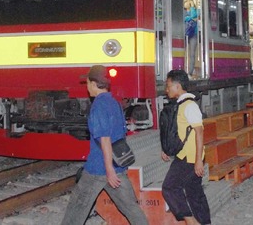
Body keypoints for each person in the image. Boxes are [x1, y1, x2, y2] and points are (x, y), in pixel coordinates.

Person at [61, 66, 147, 225]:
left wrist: (109, 170)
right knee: (131, 209)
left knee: (76, 209)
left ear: (94, 84)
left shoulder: (98, 106)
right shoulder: (114, 102)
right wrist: (113, 170)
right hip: (118, 166)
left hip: (98, 168)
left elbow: (105, 139)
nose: (86, 87)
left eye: (87, 83)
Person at [161, 70, 211, 225]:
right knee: (194, 192)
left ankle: (190, 221)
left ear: (177, 86)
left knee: (169, 188)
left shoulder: (190, 106)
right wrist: (166, 149)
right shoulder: (181, 105)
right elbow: (177, 131)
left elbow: (199, 133)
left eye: (169, 86)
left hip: (189, 158)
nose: (166, 89)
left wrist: (198, 161)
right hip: (185, 155)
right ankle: (204, 222)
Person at [184, 0, 199, 77]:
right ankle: (183, 70)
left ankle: (190, 72)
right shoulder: (183, 11)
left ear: (190, 2)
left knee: (192, 54)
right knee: (182, 52)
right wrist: (192, 18)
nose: (184, 3)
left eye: (186, 1)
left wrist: (193, 6)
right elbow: (185, 18)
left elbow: (195, 15)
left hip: (193, 34)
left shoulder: (196, 10)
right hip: (185, 33)